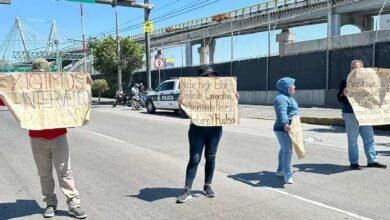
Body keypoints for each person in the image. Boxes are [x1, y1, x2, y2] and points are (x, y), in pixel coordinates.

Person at [0, 58, 88, 219]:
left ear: (48, 74)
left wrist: (85, 84)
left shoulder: (58, 87)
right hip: (37, 138)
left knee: (65, 172)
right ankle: (50, 204)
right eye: (36, 74)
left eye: (42, 74)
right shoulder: (25, 89)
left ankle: (74, 204)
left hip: (59, 137)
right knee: (44, 174)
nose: (39, 77)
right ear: (31, 75)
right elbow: (5, 97)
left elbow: (76, 96)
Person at [176, 66, 238, 203]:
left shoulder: (220, 90)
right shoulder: (192, 91)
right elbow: (184, 112)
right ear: (201, 79)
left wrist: (233, 98)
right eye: (207, 76)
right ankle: (187, 189)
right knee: (194, 159)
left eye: (212, 76)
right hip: (197, 128)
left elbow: (228, 107)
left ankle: (207, 185)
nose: (211, 78)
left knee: (211, 156)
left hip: (214, 129)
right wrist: (181, 104)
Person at [337, 60, 387, 170]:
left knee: (369, 138)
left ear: (362, 69)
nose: (355, 70)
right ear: (350, 69)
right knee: (353, 140)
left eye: (358, 68)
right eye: (353, 68)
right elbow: (339, 98)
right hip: (350, 114)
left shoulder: (369, 82)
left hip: (365, 115)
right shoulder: (345, 82)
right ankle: (354, 163)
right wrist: (343, 93)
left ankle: (372, 161)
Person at [273, 77, 299, 184]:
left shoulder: (289, 97)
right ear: (286, 87)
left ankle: (280, 170)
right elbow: (282, 112)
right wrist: (285, 124)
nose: (294, 87)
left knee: (283, 149)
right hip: (283, 129)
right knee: (288, 151)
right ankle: (287, 175)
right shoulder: (281, 98)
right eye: (292, 85)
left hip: (289, 127)